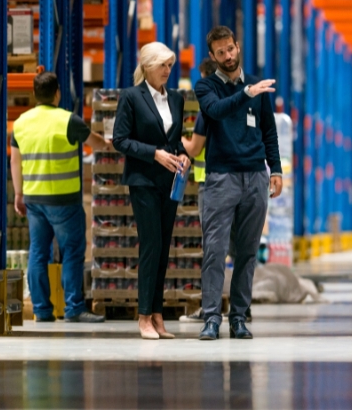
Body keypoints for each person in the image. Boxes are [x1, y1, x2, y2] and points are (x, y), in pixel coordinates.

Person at [194, 26, 282, 341]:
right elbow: (216, 111)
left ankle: (239, 318)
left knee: (247, 252)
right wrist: (244, 94)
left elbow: (268, 130)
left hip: (255, 177)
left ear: (237, 45)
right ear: (212, 56)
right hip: (221, 178)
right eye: (221, 52)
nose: (228, 56)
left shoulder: (256, 86)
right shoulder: (206, 87)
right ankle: (211, 318)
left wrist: (276, 169)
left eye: (231, 49)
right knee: (215, 251)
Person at [10, 72, 110, 323]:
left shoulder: (21, 123)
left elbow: (15, 159)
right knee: (72, 252)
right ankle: (73, 307)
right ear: (57, 93)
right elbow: (94, 144)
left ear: (34, 94)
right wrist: (107, 143)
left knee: (38, 253)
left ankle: (42, 310)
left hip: (34, 200)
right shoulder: (68, 120)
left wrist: (18, 193)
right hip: (64, 200)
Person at [112, 41, 190, 340]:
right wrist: (154, 153)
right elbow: (120, 140)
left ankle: (157, 316)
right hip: (143, 180)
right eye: (162, 65)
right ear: (146, 67)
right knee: (151, 246)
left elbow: (174, 140)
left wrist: (182, 154)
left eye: (170, 65)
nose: (167, 71)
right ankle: (143, 316)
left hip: (170, 182)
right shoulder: (131, 97)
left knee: (163, 249)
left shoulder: (177, 100)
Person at [181, 58, 250, 324]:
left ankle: (211, 309)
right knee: (237, 247)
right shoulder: (240, 106)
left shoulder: (208, 110)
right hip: (239, 183)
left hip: (213, 185)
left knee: (213, 250)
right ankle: (240, 308)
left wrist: (177, 137)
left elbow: (195, 149)